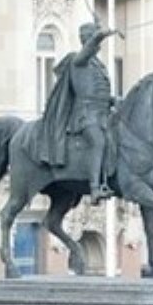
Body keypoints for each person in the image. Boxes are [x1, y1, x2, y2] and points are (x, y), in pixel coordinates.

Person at [34, 21, 119, 198]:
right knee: (98, 142)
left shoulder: (97, 65)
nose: (98, 46)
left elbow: (97, 92)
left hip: (103, 114)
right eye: (94, 41)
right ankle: (95, 188)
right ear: (87, 40)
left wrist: (113, 100)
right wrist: (101, 35)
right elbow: (86, 53)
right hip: (85, 116)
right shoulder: (78, 60)